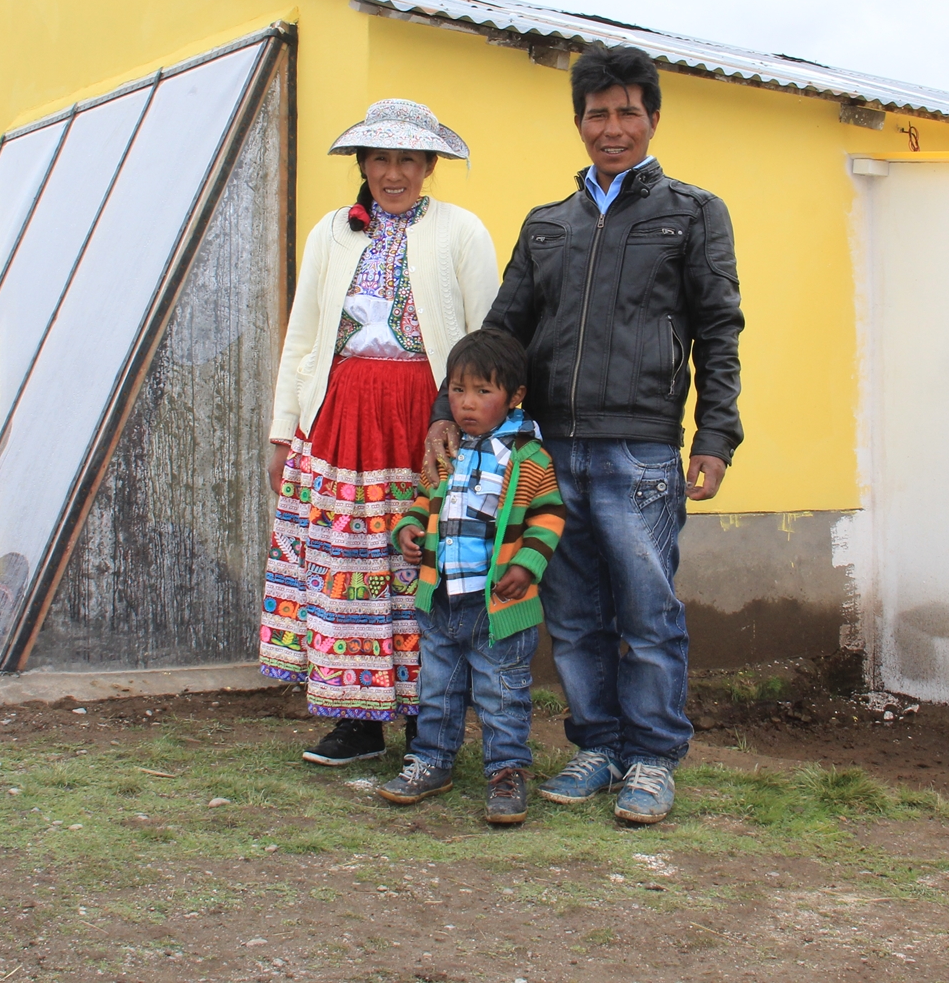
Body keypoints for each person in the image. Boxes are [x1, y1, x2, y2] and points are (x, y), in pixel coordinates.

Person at [423, 44, 743, 824]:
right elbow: (501, 333)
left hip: (641, 450)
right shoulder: (548, 226)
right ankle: (597, 748)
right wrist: (444, 409)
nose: (613, 128)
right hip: (549, 453)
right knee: (570, 616)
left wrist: (715, 435)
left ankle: (652, 760)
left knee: (648, 614)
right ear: (579, 123)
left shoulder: (693, 213)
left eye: (628, 112)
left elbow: (718, 329)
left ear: (653, 118)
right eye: (598, 114)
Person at [259, 98, 500, 766]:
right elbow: (304, 338)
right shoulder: (332, 233)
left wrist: (481, 426)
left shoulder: (461, 232)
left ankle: (430, 725)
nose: (394, 173)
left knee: (423, 562)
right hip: (342, 420)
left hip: (427, 420)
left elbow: (488, 336)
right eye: (380, 159)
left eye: (408, 160)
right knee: (350, 563)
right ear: (363, 164)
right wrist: (284, 432)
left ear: (428, 166)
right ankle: (356, 720)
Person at [378, 329, 565, 825]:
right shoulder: (449, 449)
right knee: (437, 689)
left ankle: (506, 773)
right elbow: (425, 498)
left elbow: (549, 517)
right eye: (458, 390)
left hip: (496, 605)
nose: (466, 403)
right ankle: (431, 761)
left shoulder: (527, 457)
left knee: (501, 693)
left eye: (483, 391)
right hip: (441, 600)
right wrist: (409, 528)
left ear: (515, 396)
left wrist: (526, 566)